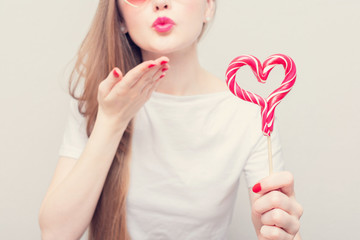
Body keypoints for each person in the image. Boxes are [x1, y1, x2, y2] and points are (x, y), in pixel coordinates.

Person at [38, 0, 303, 239]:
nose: (161, 4)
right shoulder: (102, 100)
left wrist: (281, 231)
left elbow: (278, 227)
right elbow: (56, 234)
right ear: (119, 18)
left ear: (208, 7)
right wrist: (111, 120)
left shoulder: (249, 114)